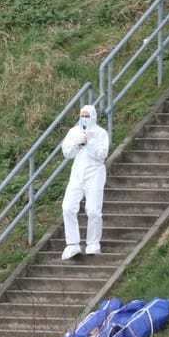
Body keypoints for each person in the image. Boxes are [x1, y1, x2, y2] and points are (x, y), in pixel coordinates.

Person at [59, 104, 110, 260]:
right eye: (83, 115)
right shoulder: (74, 132)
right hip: (77, 174)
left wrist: (90, 142)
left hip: (95, 173)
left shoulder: (101, 133)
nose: (85, 118)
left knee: (93, 210)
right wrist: (78, 143)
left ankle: (93, 243)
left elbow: (102, 155)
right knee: (67, 207)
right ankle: (73, 244)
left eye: (88, 116)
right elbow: (67, 152)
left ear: (93, 116)